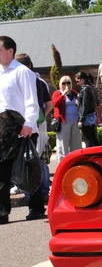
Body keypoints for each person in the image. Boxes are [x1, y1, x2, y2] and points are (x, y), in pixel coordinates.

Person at [0, 36, 44, 224]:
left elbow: (31, 101)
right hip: (4, 128)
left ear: (10, 51)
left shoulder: (22, 72)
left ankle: (36, 207)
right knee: (2, 171)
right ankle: (2, 213)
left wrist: (28, 124)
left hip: (23, 128)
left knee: (27, 167)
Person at [15, 53, 53, 203]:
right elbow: (49, 104)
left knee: (27, 160)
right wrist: (41, 117)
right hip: (38, 124)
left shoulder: (19, 81)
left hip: (24, 125)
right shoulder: (40, 82)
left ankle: (30, 195)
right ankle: (42, 191)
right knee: (38, 158)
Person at [52, 75, 82, 162]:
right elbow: (55, 103)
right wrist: (63, 94)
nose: (66, 85)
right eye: (63, 83)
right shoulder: (57, 93)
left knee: (76, 145)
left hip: (75, 122)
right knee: (63, 146)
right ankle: (62, 164)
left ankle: (76, 164)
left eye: (68, 83)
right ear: (60, 84)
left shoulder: (74, 93)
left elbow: (80, 104)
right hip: (63, 122)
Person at [76, 72, 101, 147]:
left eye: (78, 81)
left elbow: (85, 105)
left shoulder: (85, 89)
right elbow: (96, 102)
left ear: (82, 80)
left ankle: (91, 156)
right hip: (91, 116)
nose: (77, 83)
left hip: (87, 117)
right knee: (93, 138)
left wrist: (81, 120)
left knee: (88, 139)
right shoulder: (91, 87)